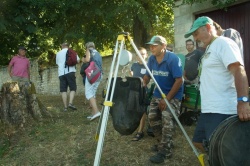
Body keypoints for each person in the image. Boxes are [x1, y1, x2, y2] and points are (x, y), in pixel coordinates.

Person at [184, 16, 250, 153]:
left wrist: (243, 102)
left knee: (223, 150)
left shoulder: (223, 43)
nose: (195, 38)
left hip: (222, 109)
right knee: (198, 141)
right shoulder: (210, 48)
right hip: (209, 109)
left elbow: (239, 70)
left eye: (196, 34)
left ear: (208, 28)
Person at [144, 35, 183, 163]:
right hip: (158, 94)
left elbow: (179, 80)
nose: (151, 48)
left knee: (167, 118)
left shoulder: (173, 59)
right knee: (152, 117)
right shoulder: (151, 59)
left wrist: (167, 99)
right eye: (150, 45)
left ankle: (165, 152)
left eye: (154, 45)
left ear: (163, 46)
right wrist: (142, 83)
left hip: (173, 95)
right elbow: (148, 75)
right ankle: (163, 143)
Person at [129, 47, 148, 141]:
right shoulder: (134, 65)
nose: (141, 56)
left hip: (142, 90)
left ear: (146, 55)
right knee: (134, 109)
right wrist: (132, 75)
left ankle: (140, 132)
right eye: (139, 54)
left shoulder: (148, 65)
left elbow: (147, 80)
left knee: (142, 111)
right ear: (136, 56)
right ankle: (134, 127)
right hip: (133, 90)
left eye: (143, 54)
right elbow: (131, 71)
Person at [56, 42, 80, 112]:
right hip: (70, 72)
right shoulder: (72, 52)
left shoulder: (58, 53)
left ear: (61, 46)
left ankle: (65, 107)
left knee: (63, 90)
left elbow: (57, 63)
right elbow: (78, 61)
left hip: (61, 73)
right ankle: (70, 103)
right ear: (68, 46)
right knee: (73, 88)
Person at [82, 42, 103, 121]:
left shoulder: (88, 50)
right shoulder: (98, 53)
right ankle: (93, 113)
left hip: (92, 74)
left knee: (88, 93)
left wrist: (83, 59)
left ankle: (97, 112)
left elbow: (87, 60)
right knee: (93, 93)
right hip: (99, 74)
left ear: (87, 46)